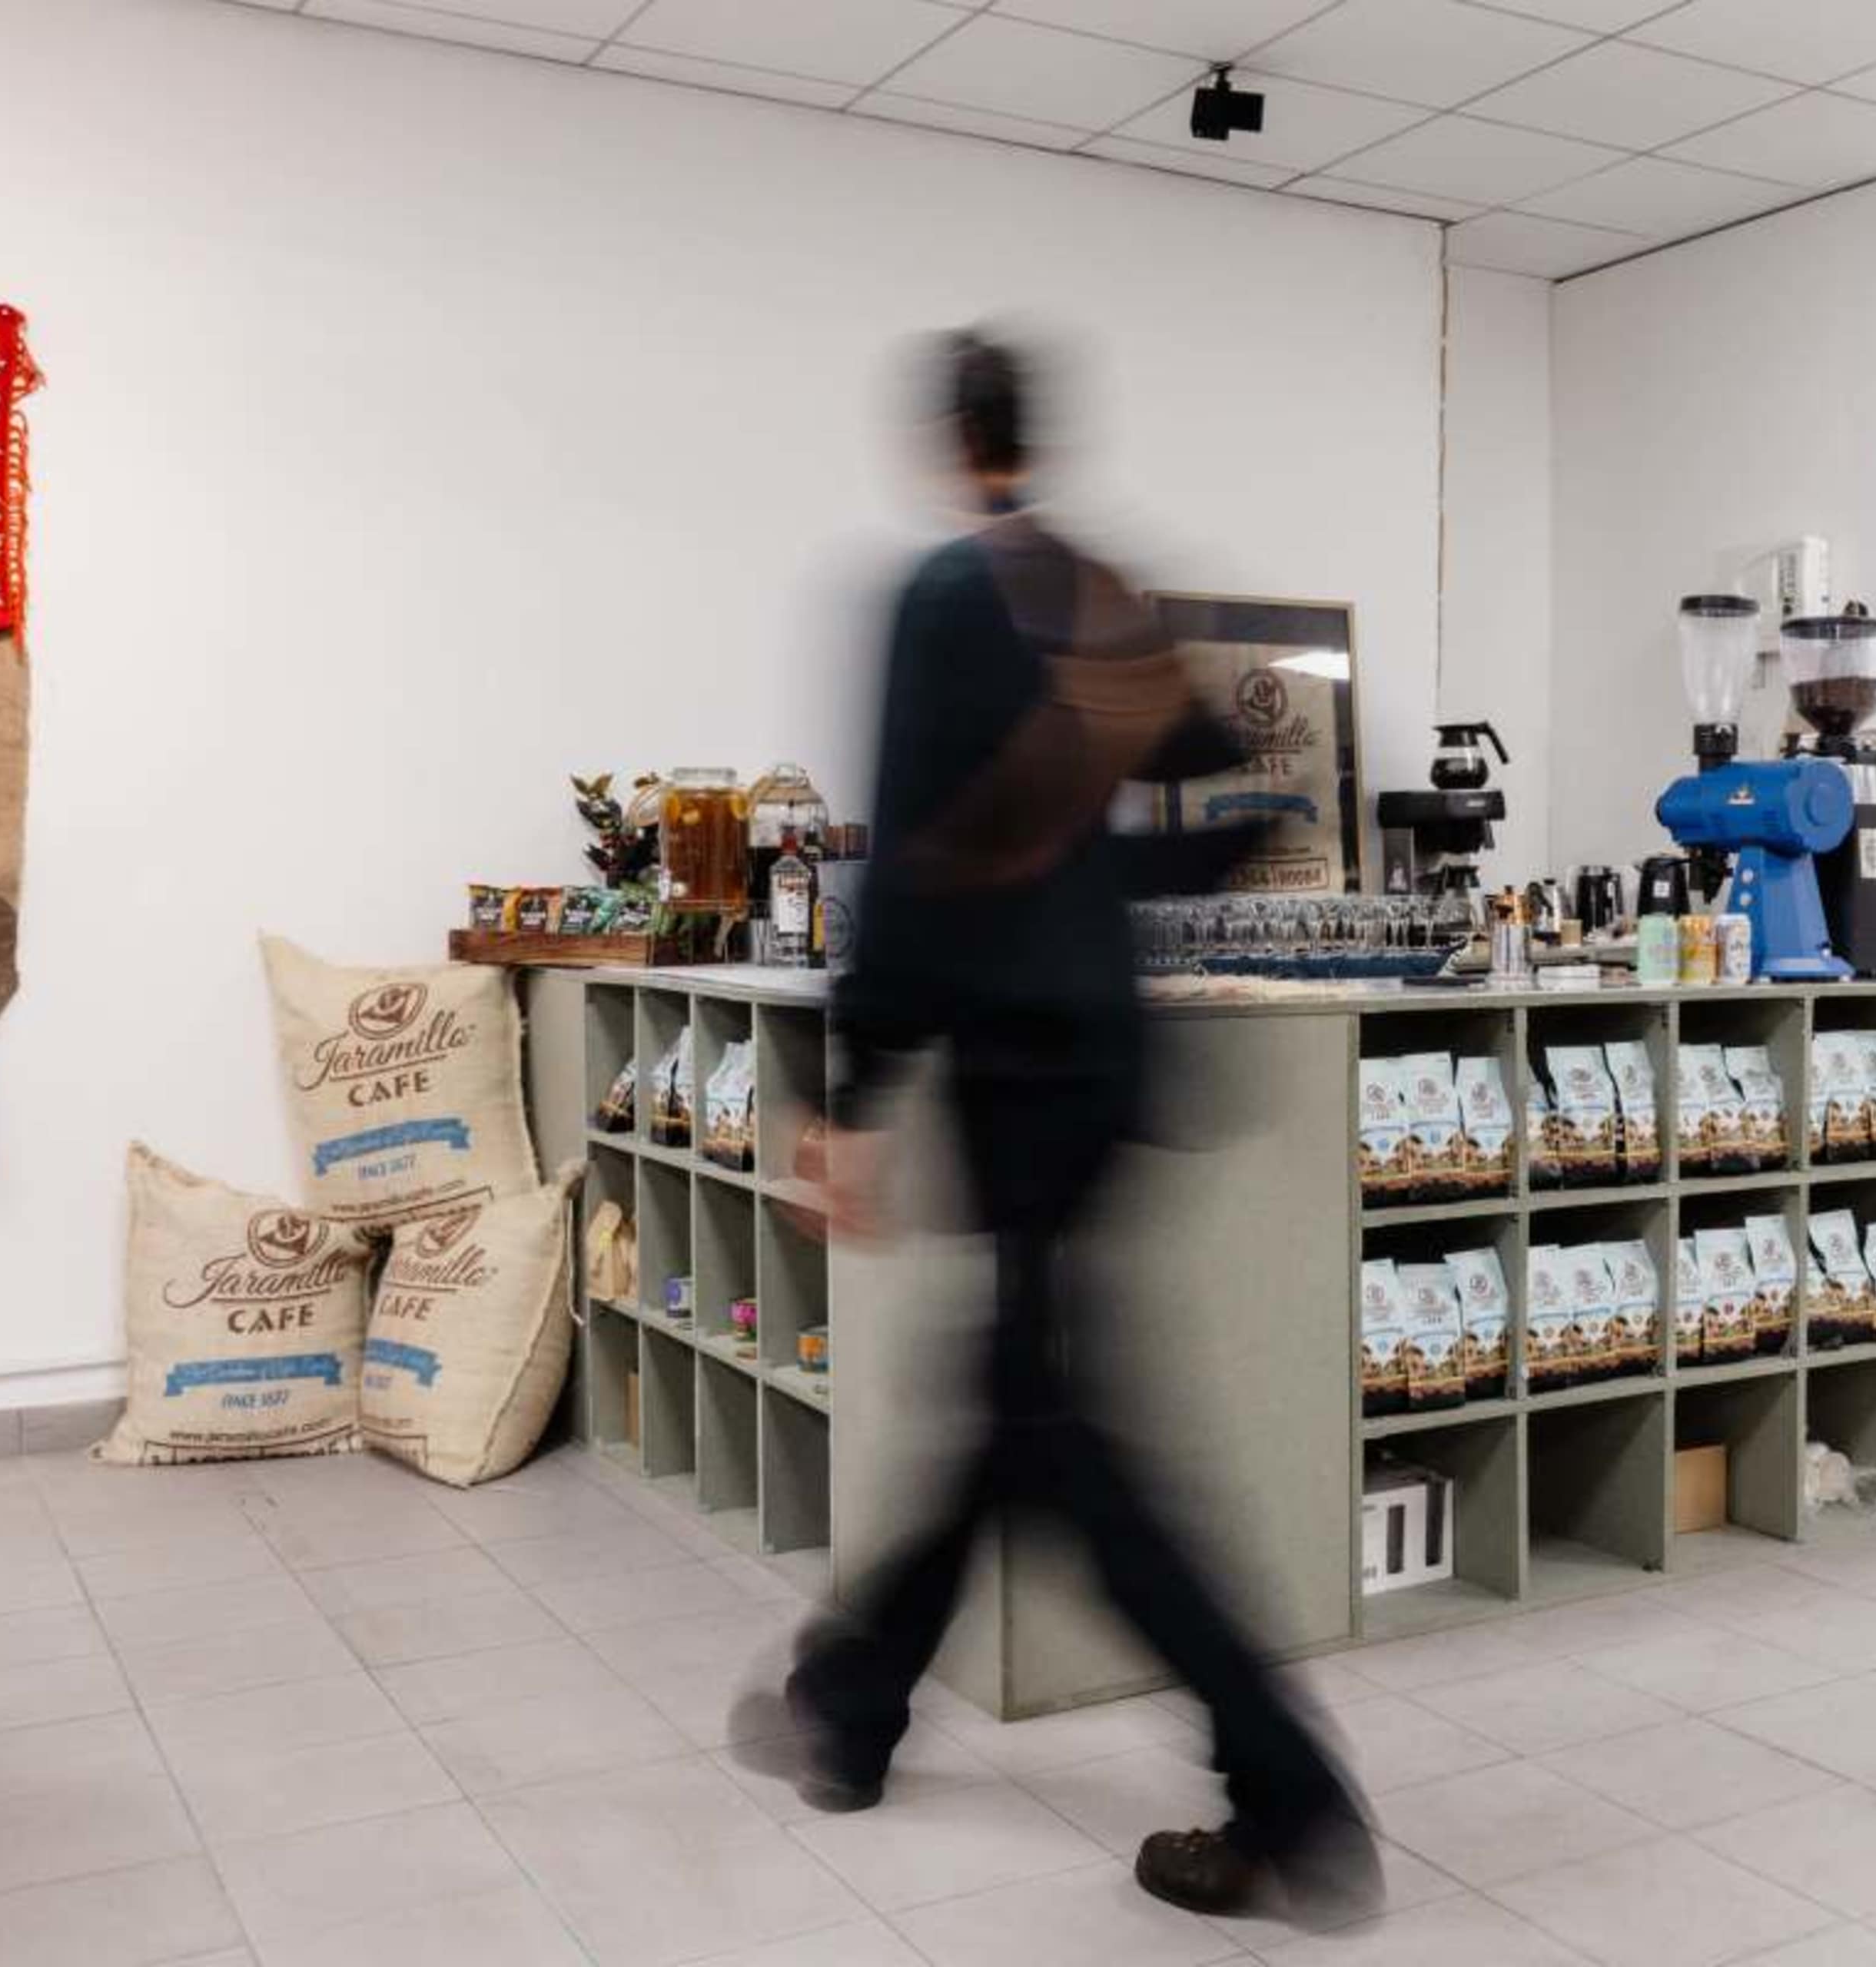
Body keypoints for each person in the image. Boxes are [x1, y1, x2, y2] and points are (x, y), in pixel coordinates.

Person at [788, 328, 1378, 1922]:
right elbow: (1213, 802)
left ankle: (1292, 1796)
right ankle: (847, 1702)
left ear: (944, 440)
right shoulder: (1105, 597)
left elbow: (911, 856)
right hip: (1104, 1066)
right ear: (1031, 437)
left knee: (1071, 1455)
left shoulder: (943, 598)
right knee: (1006, 1407)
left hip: (1010, 1065)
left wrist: (857, 1091)